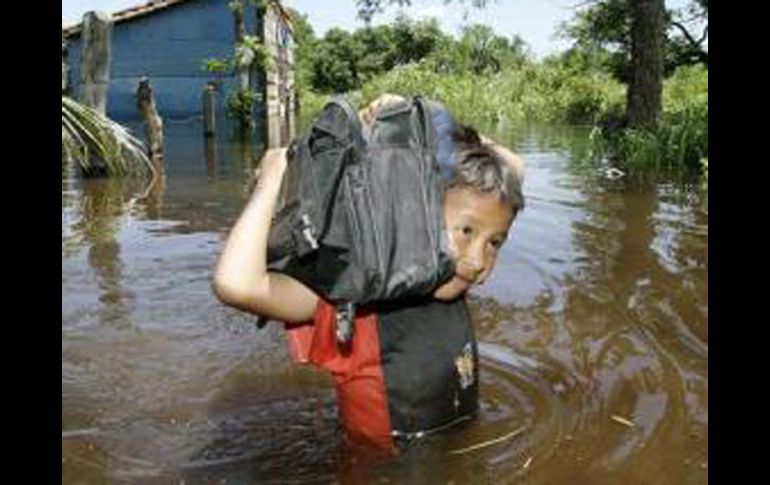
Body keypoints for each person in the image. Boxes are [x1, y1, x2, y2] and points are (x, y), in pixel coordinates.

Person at [212, 94, 525, 454]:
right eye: (466, 232)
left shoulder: (454, 280)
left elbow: (513, 166)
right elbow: (236, 284)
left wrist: (432, 127)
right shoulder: (353, 291)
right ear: (415, 212)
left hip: (458, 448)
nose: (477, 260)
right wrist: (273, 178)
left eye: (495, 242)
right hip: (381, 468)